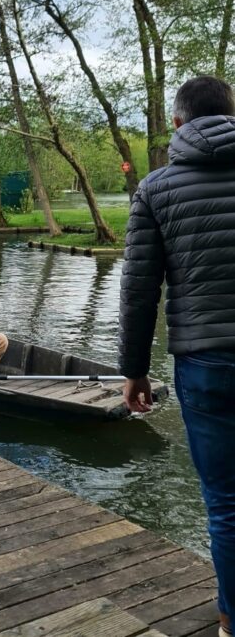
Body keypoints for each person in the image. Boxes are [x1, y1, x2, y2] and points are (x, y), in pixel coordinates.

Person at [118, 75, 235, 637]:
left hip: (206, 362)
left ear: (178, 122)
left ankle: (232, 620)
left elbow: (140, 292)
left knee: (227, 505)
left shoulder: (156, 189)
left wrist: (134, 372)